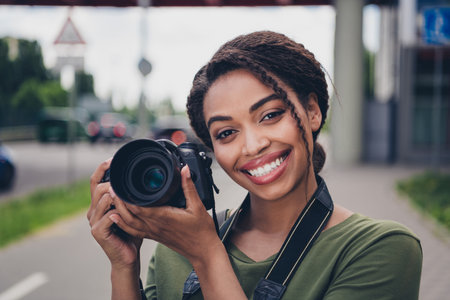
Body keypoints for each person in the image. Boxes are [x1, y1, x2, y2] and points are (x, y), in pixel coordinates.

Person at [88, 31, 422, 300]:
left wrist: (207, 255)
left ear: (312, 111)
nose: (253, 145)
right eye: (227, 132)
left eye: (270, 115)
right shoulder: (176, 249)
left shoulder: (379, 249)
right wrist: (123, 265)